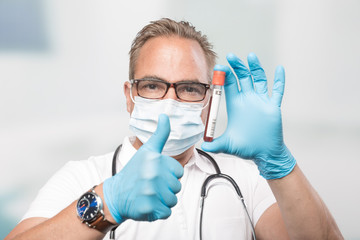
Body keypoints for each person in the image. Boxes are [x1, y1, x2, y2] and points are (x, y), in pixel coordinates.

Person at [6, 18, 343, 240]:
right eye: (153, 85)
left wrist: (279, 163)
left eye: (188, 88)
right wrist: (105, 203)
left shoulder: (245, 178)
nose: (170, 101)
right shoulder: (81, 177)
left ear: (208, 100)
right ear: (130, 95)